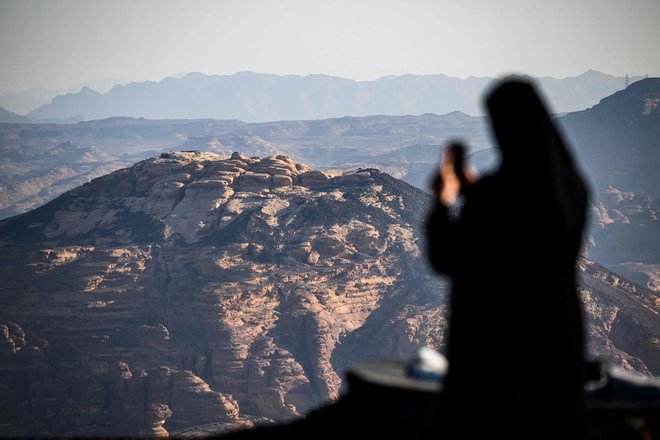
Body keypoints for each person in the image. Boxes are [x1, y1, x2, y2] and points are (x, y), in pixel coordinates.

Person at [426, 79, 589, 439]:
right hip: (557, 339)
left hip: (496, 349)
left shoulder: (493, 199)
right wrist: (476, 193)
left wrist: (443, 201)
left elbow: (447, 256)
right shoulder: (572, 190)